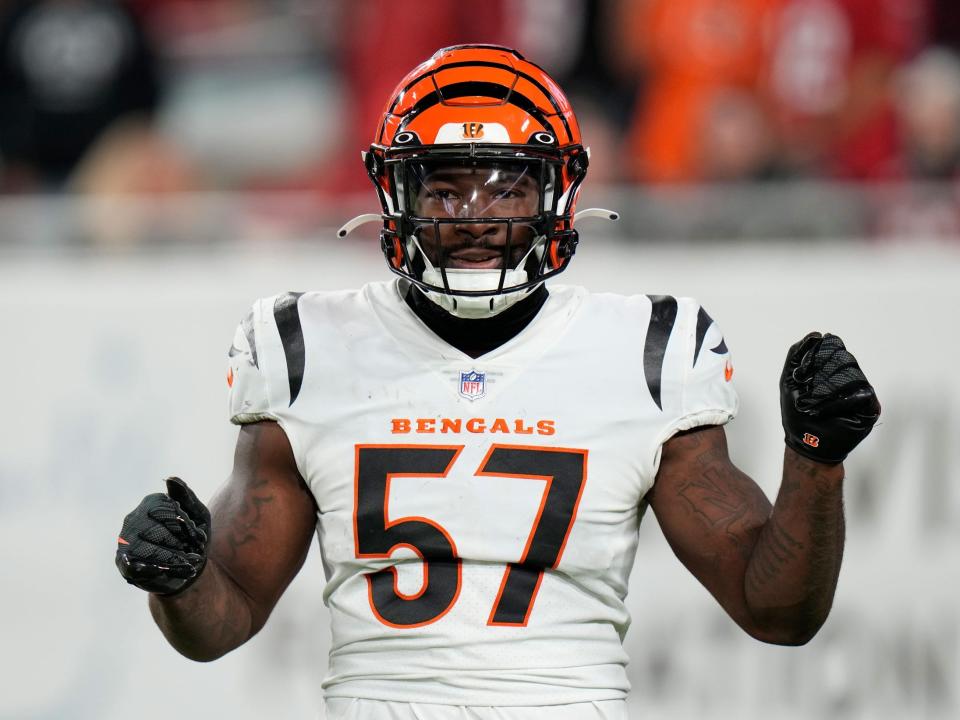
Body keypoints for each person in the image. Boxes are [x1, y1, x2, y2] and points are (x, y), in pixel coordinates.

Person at [115, 45, 881, 720]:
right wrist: (178, 581)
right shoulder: (309, 346)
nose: (475, 217)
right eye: (446, 189)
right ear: (397, 195)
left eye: (506, 189)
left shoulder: (646, 352)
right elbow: (227, 615)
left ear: (556, 194)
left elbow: (776, 610)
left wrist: (816, 462)